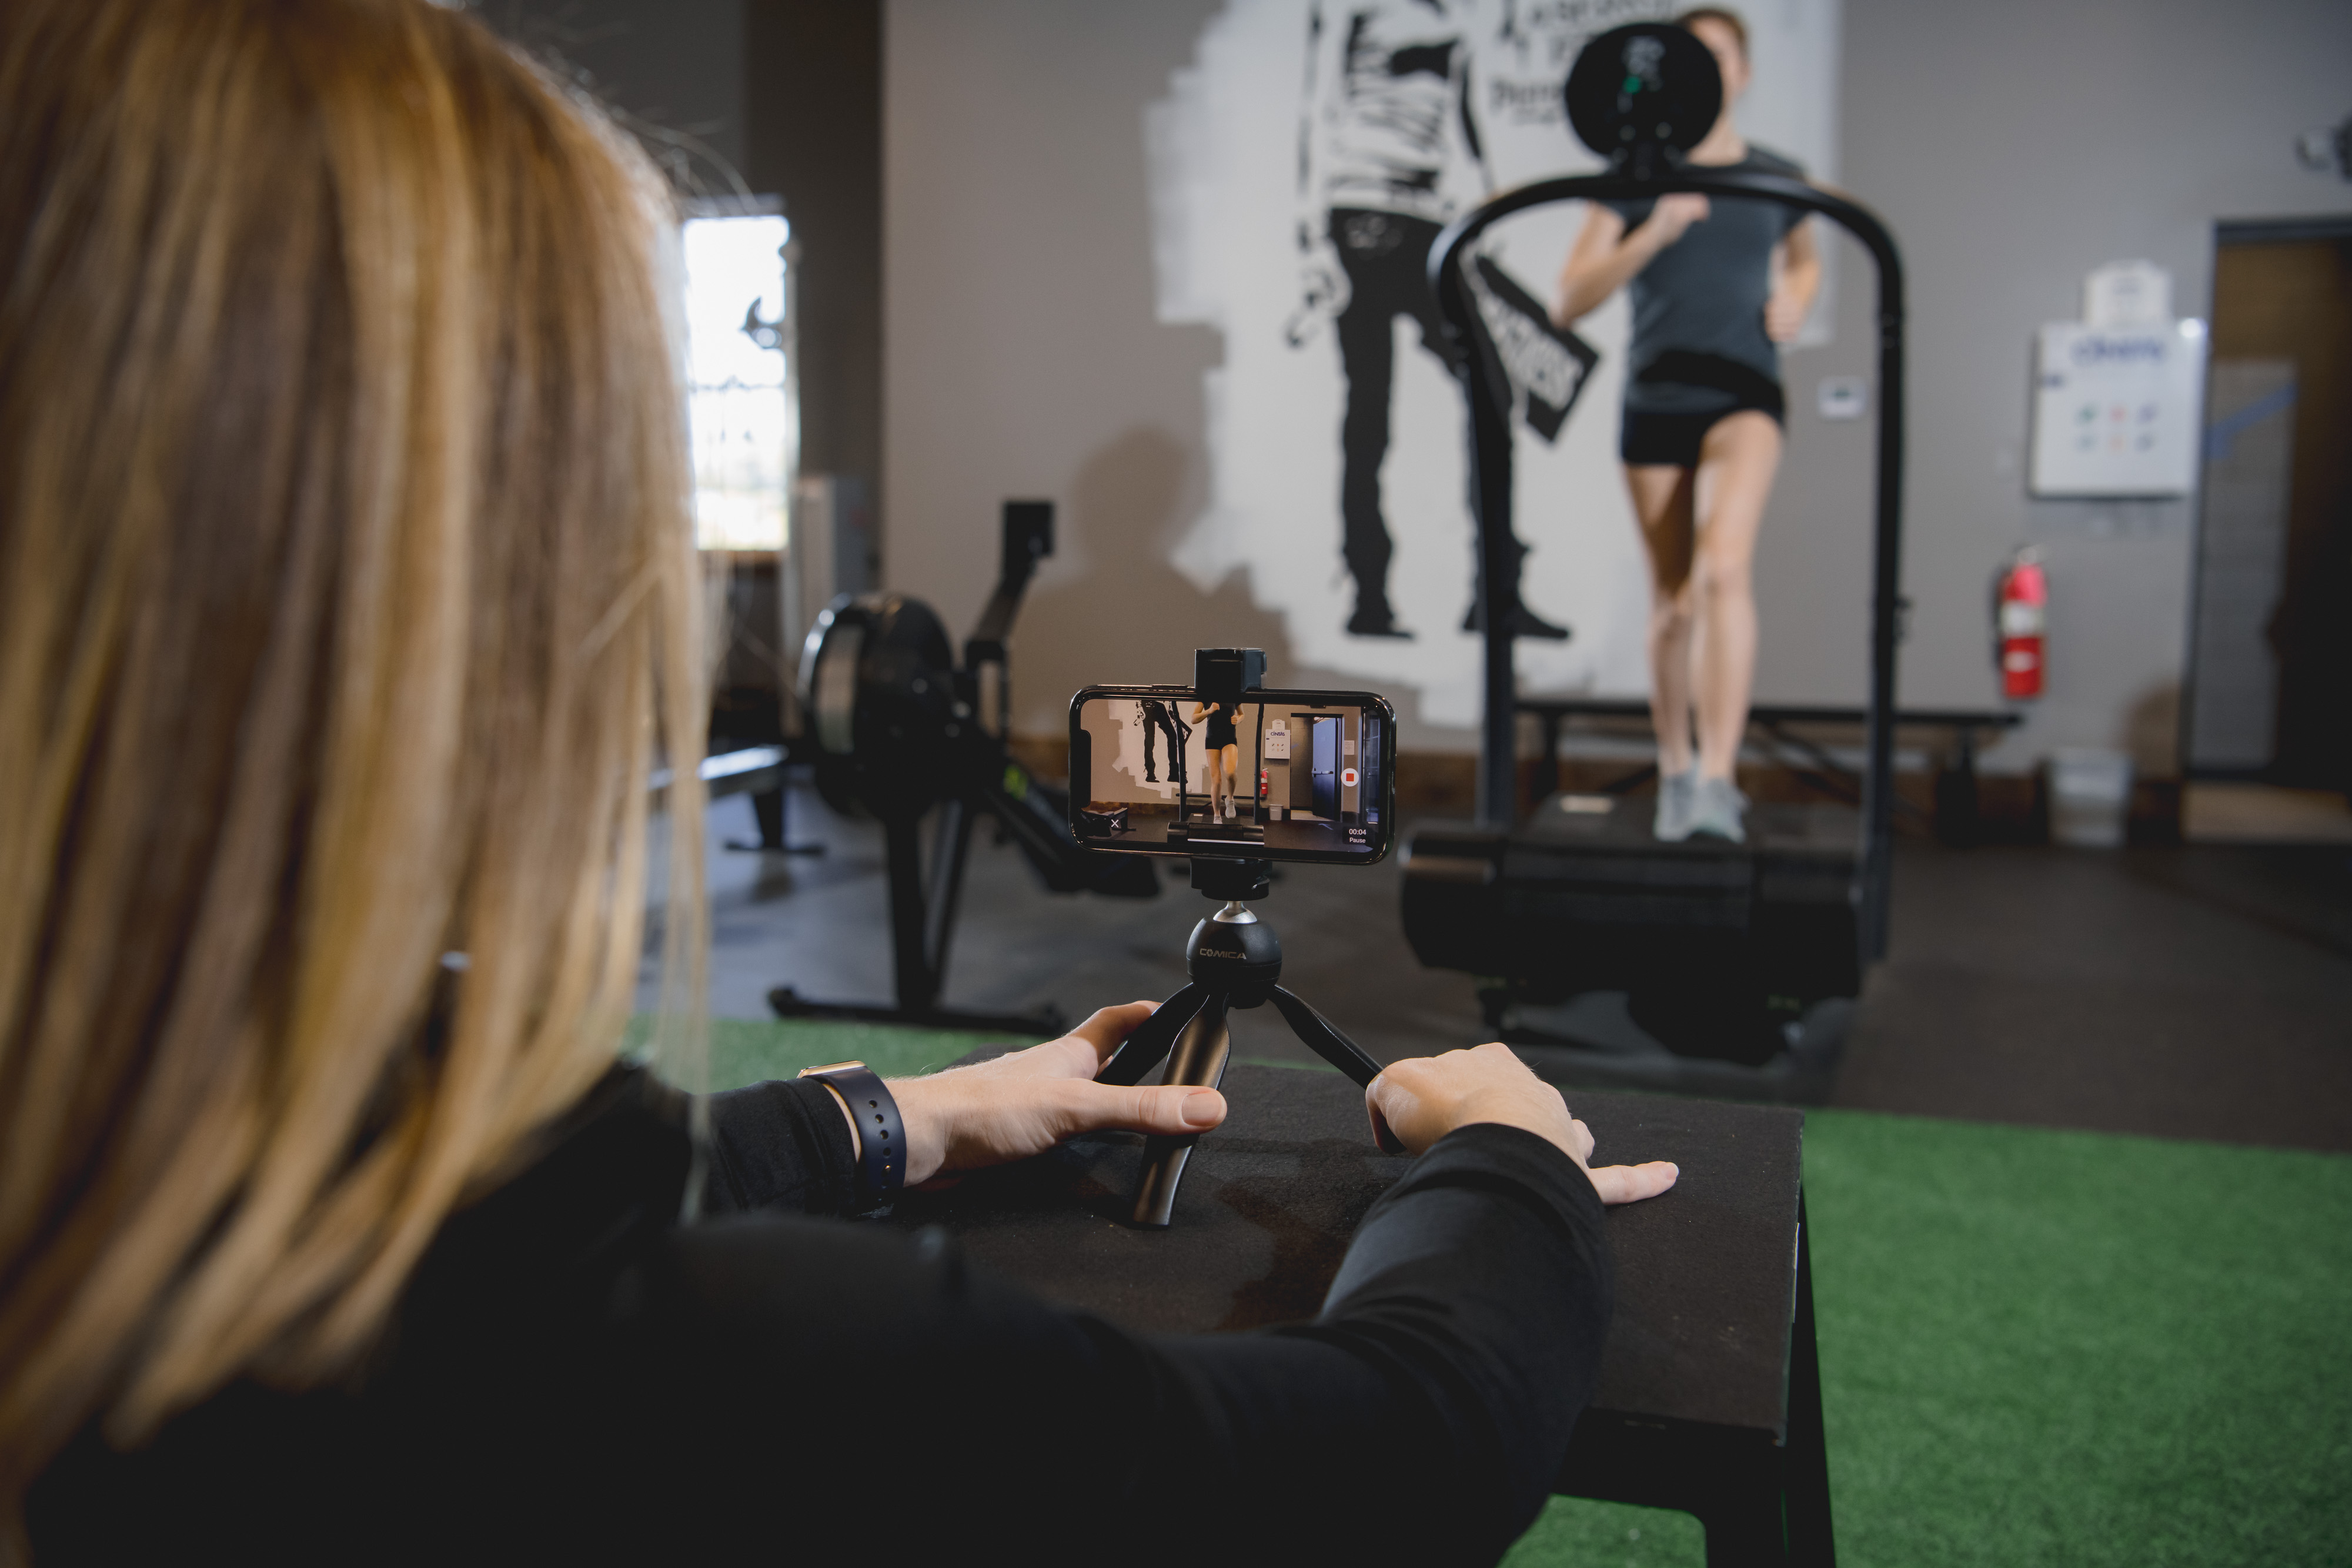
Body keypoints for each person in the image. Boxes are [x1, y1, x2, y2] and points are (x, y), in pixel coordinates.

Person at [0, 2, 1677, 1562]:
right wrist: (1505, 1162)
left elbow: (489, 1186)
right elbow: (1399, 1455)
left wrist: (888, 1118)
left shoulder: (125, 1163)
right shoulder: (699, 1372)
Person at [1553, 7, 1820, 843]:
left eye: (1720, 56)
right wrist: (1655, 231)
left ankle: (1718, 778)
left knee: (1724, 569)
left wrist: (1795, 297)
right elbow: (1569, 299)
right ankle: (1676, 771)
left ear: (1741, 74)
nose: (1706, 68)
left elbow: (1805, 257)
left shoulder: (1776, 176)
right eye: (1690, 55)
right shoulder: (1635, 178)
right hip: (1656, 400)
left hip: (1743, 391)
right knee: (1673, 605)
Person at [1292, 0, 1569, 643]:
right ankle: (1369, 596)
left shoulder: (1460, 12)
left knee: (1492, 397)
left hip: (1431, 217)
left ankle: (1495, 594)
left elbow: (1463, 118)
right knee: (1371, 413)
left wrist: (1485, 210)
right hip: (1362, 210)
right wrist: (1311, 240)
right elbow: (1320, 107)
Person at [1190, 698, 1242, 818]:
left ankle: (1230, 798)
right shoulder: (1207, 695)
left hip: (1229, 738)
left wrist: (1238, 720)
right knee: (1216, 780)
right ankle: (1217, 815)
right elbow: (1193, 719)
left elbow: (1242, 714)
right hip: (1212, 739)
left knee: (1230, 772)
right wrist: (1209, 711)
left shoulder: (1233, 693)